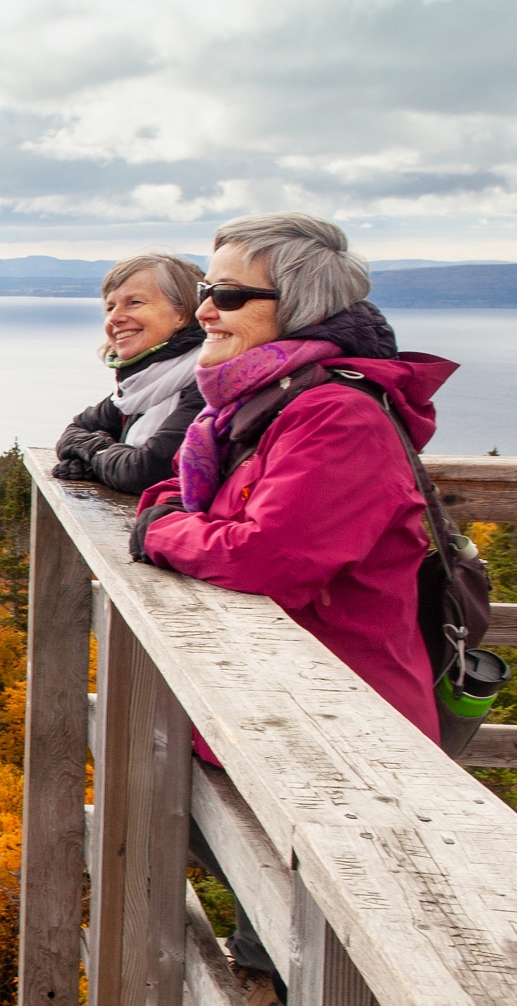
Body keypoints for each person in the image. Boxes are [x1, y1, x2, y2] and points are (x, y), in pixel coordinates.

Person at [128, 213, 456, 744]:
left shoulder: (338, 418)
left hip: (346, 730)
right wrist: (171, 521)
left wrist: (160, 532)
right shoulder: (258, 403)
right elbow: (181, 495)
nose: (205, 310)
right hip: (272, 713)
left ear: (304, 304)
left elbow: (270, 560)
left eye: (228, 296)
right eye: (206, 291)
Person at [54, 253, 206, 493]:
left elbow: (145, 471)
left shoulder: (208, 382)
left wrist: (95, 453)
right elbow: (73, 433)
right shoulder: (138, 387)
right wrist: (107, 458)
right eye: (110, 307)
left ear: (182, 313)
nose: (115, 318)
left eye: (134, 302)